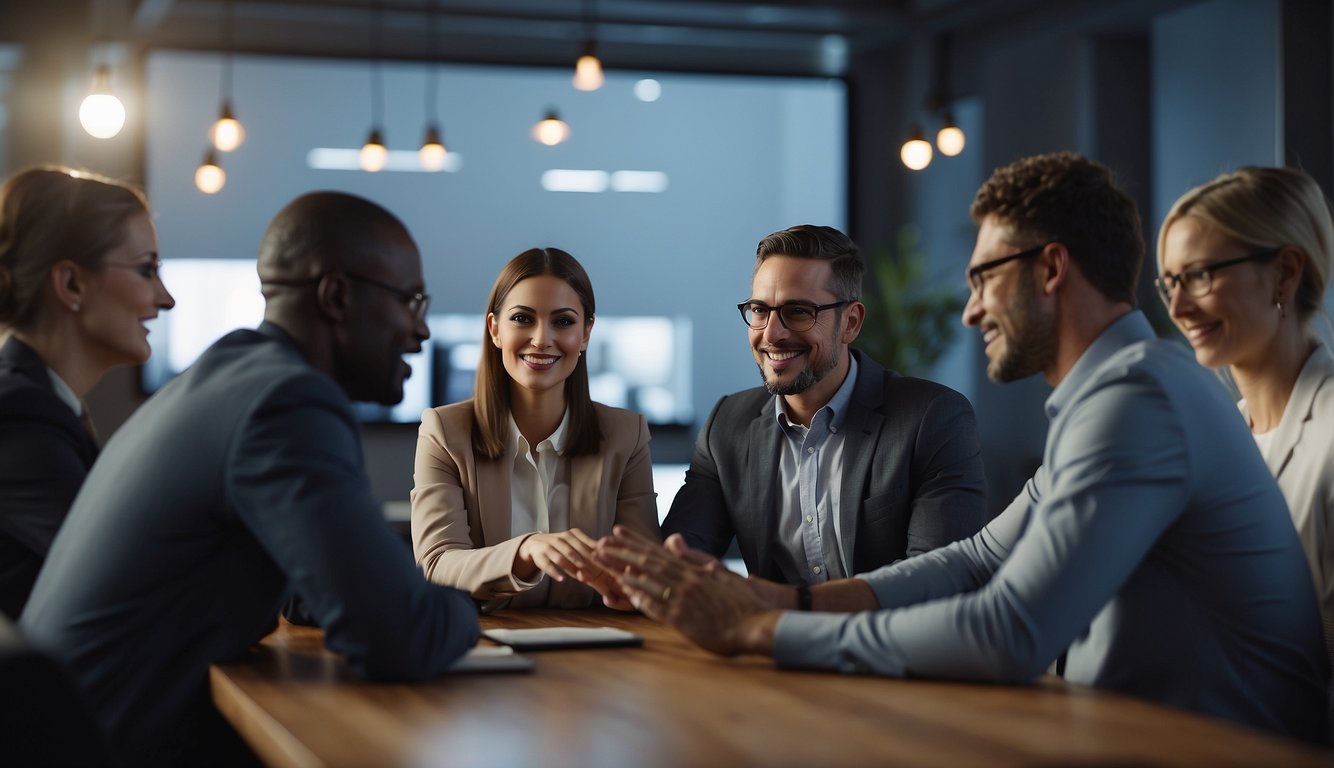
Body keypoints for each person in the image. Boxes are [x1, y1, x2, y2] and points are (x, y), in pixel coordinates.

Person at [599, 153, 1329, 744]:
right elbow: (979, 556)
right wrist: (787, 599)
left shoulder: (1139, 398)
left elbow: (1009, 631)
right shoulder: (1126, 387)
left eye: (984, 277)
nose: (970, 307)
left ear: (1050, 269)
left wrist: (764, 629)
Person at [20, 192, 479, 765]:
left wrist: (382, 587)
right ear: (336, 296)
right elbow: (396, 636)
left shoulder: (228, 374)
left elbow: (325, 587)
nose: (422, 330)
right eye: (410, 301)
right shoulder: (286, 402)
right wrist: (466, 598)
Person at [661, 224, 987, 585]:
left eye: (798, 312)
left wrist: (790, 609)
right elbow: (678, 559)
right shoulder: (728, 424)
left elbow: (936, 582)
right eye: (759, 310)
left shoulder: (933, 418)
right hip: (769, 640)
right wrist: (640, 575)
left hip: (887, 640)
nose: (771, 333)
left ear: (850, 322)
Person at [411, 247, 659, 610]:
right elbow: (438, 563)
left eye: (563, 321)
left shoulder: (626, 434)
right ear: (494, 329)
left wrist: (635, 584)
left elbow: (643, 568)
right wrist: (526, 551)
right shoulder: (445, 432)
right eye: (522, 318)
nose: (542, 338)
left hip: (596, 648)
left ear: (587, 332)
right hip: (483, 643)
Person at [1157, 166, 1334, 665]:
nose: (1177, 307)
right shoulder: (1213, 439)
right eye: (1169, 281)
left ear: (1284, 272)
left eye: (1198, 276)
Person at [0, 166, 175, 620]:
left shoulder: (42, 402)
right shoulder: (22, 416)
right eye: (147, 270)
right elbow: (129, 581)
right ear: (71, 284)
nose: (165, 298)